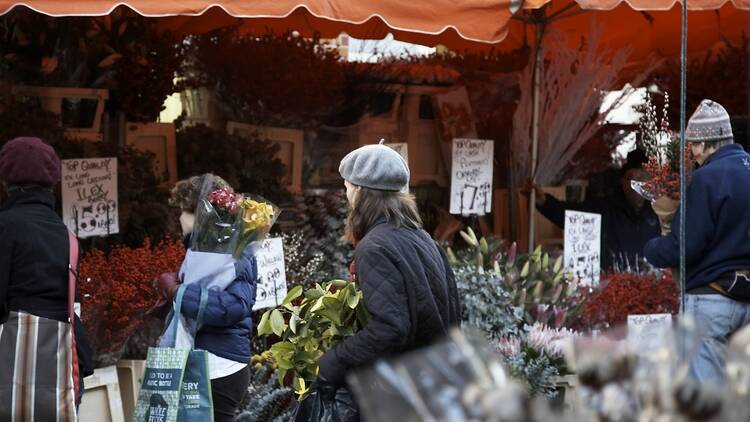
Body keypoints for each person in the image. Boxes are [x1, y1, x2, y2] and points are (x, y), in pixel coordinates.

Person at [315, 142, 461, 410]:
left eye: (347, 187)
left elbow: (391, 328)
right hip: (431, 386)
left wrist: (333, 362)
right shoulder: (422, 238)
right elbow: (452, 310)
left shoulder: (374, 247)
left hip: (401, 392)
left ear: (359, 191)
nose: (346, 194)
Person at [644, 99, 750, 384]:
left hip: (712, 301)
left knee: (708, 400)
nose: (692, 153)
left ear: (704, 144)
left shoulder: (705, 179)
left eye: (692, 145)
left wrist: (652, 248)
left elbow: (686, 246)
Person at [0, 137, 94, 405]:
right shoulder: (67, 235)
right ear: (53, 182)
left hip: (12, 359)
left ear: (6, 182)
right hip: (62, 361)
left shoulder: (5, 226)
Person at [158, 174, 258, 422]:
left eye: (184, 211)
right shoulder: (200, 249)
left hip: (219, 367)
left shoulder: (233, 249)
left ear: (199, 214)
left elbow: (234, 307)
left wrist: (178, 292)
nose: (180, 218)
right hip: (203, 361)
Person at [531, 148, 660, 270]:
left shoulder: (657, 212)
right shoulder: (606, 208)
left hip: (651, 284)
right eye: (631, 178)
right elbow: (573, 215)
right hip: (615, 285)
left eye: (642, 177)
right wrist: (545, 202)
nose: (636, 183)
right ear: (622, 182)